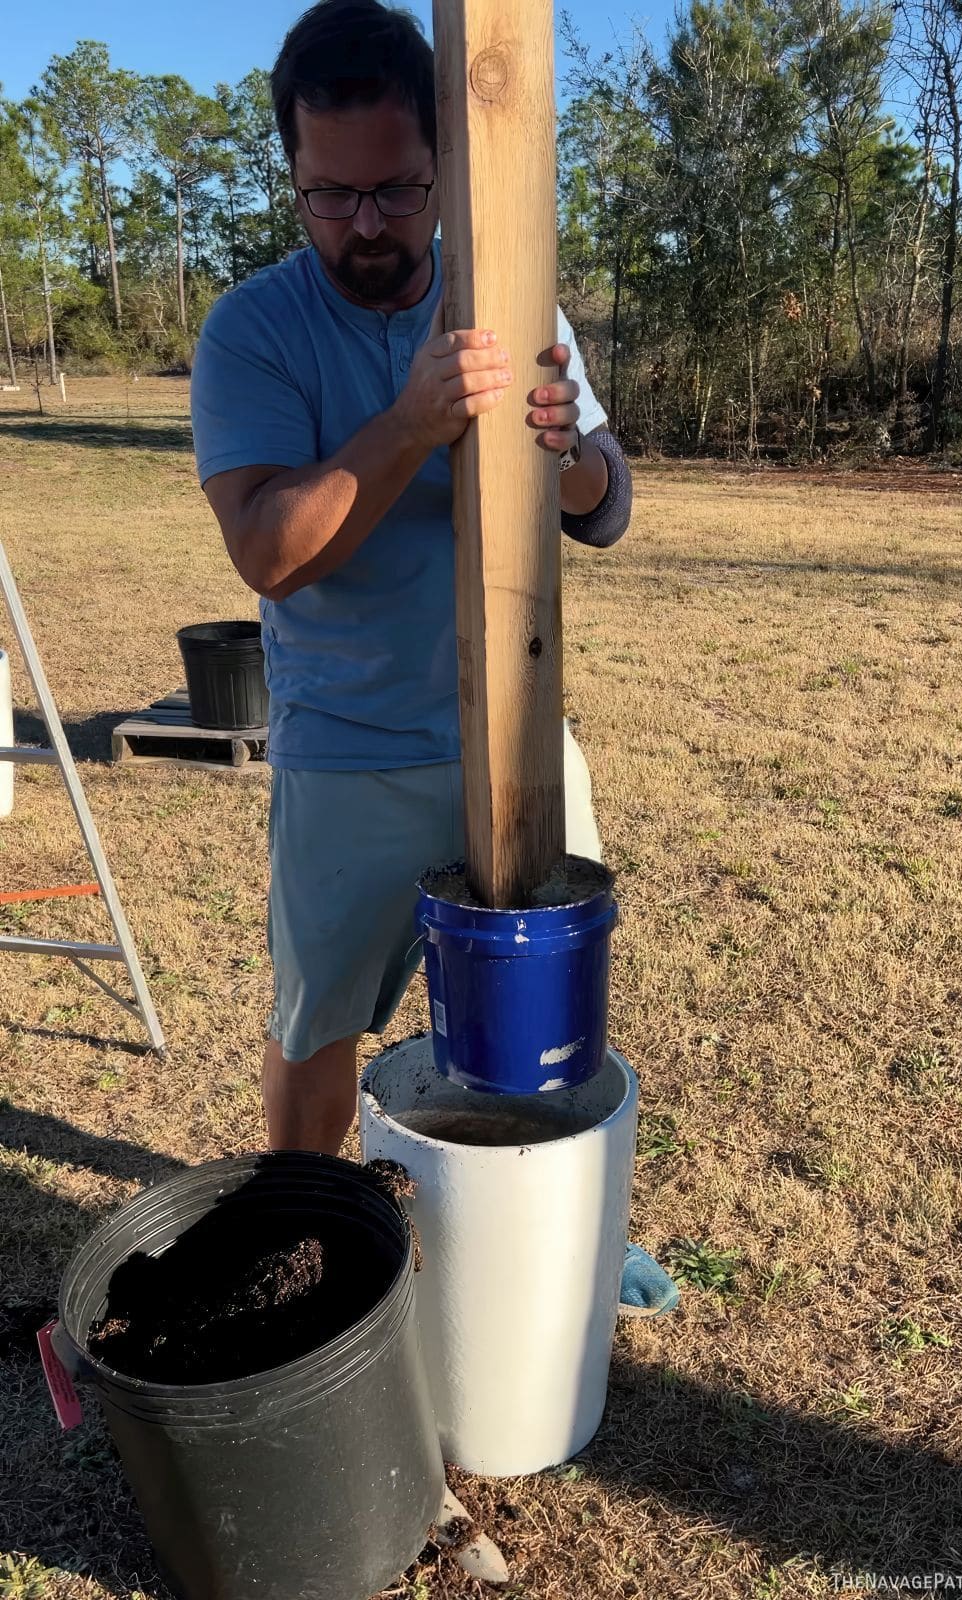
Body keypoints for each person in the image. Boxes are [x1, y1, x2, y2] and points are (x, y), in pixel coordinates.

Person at [192, 0, 675, 1314]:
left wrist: (566, 445)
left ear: (447, 171)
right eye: (330, 193)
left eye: (398, 189)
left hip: (516, 738)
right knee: (318, 1037)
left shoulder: (514, 293)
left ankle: (568, 1236)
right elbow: (269, 553)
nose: (365, 224)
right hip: (350, 752)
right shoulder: (254, 332)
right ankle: (292, 1251)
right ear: (290, 172)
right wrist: (410, 420)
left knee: (553, 1011)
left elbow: (608, 505)